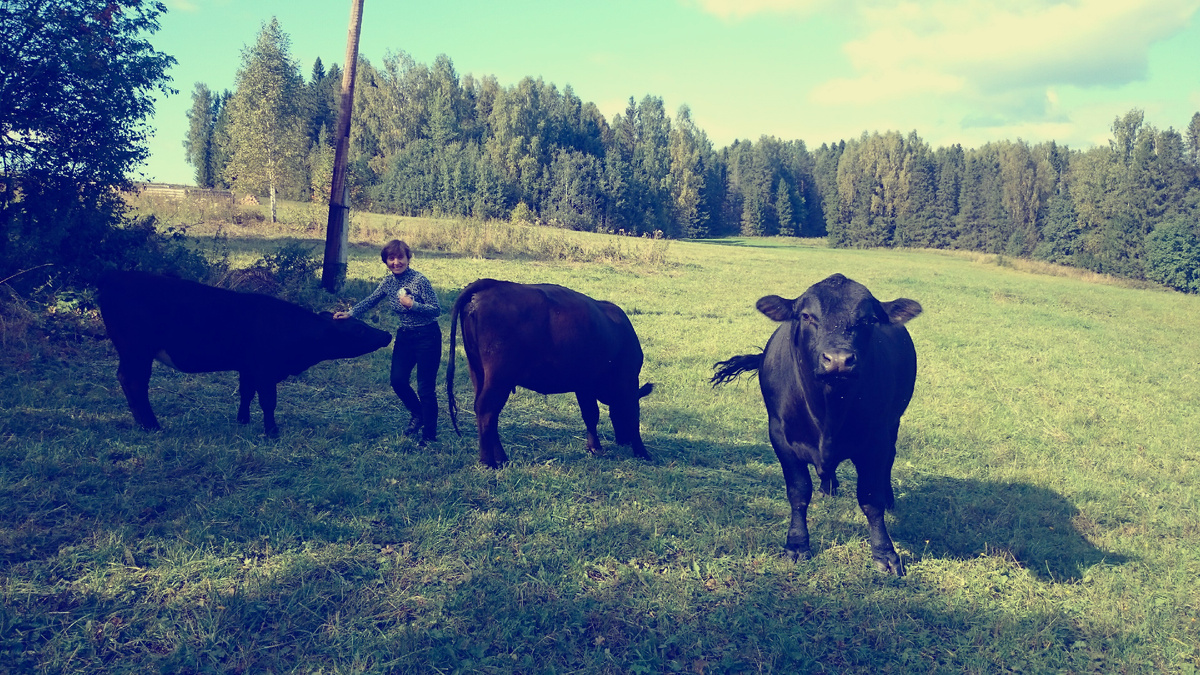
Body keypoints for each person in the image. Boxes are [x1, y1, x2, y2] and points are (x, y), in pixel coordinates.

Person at [334, 239, 441, 444]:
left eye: (400, 257)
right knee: (397, 380)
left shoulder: (419, 281)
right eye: (391, 258)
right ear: (386, 261)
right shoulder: (388, 282)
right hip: (405, 337)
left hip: (428, 337)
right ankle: (418, 414)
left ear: (408, 258)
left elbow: (436, 310)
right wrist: (350, 313)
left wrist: (413, 305)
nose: (396, 262)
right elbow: (371, 299)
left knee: (425, 387)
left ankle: (429, 435)